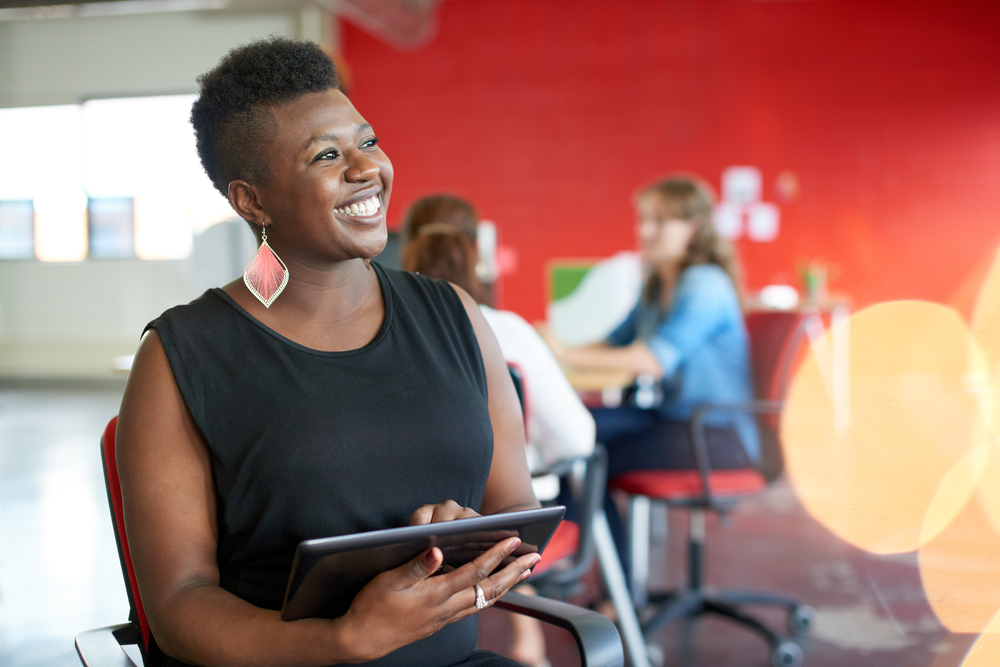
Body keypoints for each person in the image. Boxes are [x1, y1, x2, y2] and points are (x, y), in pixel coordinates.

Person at [116, 38, 541, 667]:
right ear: (251, 201)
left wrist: (466, 537)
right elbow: (179, 604)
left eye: (367, 142)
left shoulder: (454, 314)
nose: (366, 168)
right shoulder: (181, 357)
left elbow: (517, 510)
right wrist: (342, 640)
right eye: (326, 156)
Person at [400, 196, 595, 667]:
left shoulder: (383, 337)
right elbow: (577, 439)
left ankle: (527, 639)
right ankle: (549, 634)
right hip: (506, 522)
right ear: (476, 251)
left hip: (410, 524)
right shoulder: (507, 329)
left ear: (404, 251)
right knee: (550, 478)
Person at [542, 175, 757, 567]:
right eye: (644, 219)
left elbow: (651, 360)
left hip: (715, 434)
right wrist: (551, 351)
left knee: (585, 457)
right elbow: (615, 343)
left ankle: (609, 586)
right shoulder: (658, 285)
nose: (645, 231)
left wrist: (564, 351)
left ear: (694, 227)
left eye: (660, 221)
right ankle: (587, 568)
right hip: (674, 419)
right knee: (570, 429)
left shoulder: (704, 284)